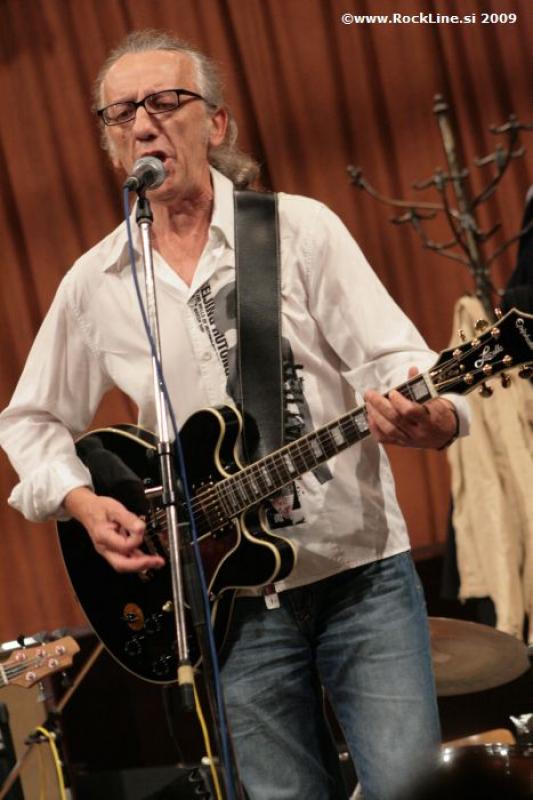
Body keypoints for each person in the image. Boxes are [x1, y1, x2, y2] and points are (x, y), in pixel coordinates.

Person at [0, 29, 469, 800]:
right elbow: (29, 420)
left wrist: (436, 413)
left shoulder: (296, 229)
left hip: (357, 575)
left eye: (165, 102)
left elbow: (396, 360)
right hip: (224, 603)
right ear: (111, 144)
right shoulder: (96, 283)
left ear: (216, 123)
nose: (143, 124)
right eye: (122, 112)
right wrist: (82, 501)